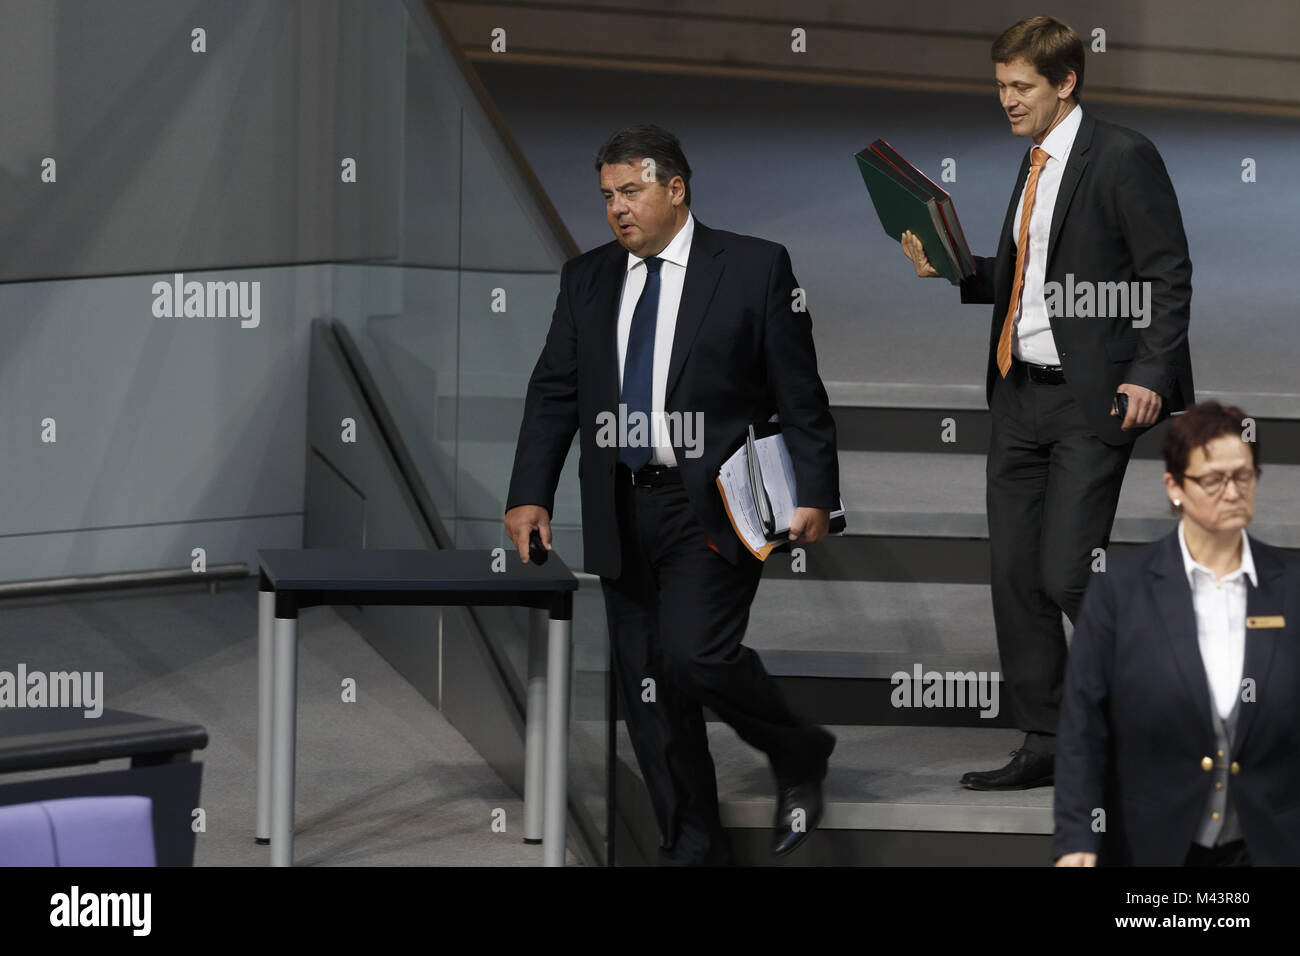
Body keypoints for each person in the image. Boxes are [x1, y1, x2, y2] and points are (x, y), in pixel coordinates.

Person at [504, 124, 840, 865]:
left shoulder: (753, 268)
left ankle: (799, 747)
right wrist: (531, 492)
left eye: (631, 191)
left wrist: (816, 491)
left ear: (675, 188)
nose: (617, 209)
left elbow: (800, 392)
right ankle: (692, 847)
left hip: (711, 505)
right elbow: (554, 393)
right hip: (621, 505)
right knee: (650, 692)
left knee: (696, 656)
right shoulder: (586, 277)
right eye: (606, 197)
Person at [901, 16, 1193, 789]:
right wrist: (956, 270)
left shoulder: (1123, 156)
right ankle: (1048, 738)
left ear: (1066, 82)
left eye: (1020, 86)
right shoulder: (1035, 163)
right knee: (1016, 576)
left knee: (1068, 571)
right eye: (1000, 86)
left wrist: (1152, 374)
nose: (1006, 100)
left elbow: (1167, 275)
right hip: (1019, 392)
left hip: (1095, 397)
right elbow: (1034, 279)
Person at [1054, 402, 1300, 866]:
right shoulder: (1120, 590)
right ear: (1175, 488)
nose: (1232, 493)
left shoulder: (1292, 588)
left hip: (1271, 845)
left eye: (1243, 476)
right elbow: (1083, 724)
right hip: (1153, 846)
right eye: (1213, 480)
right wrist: (1077, 838)